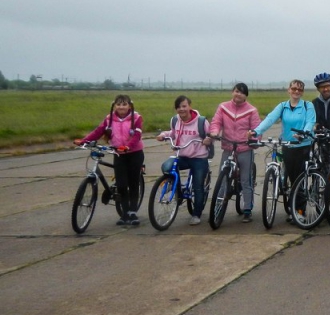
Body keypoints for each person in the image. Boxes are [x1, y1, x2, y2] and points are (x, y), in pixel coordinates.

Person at [75, 94, 145, 226]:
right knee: (121, 185)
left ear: (129, 106)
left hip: (135, 153)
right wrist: (84, 141)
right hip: (118, 154)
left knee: (133, 183)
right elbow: (98, 131)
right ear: (114, 106)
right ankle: (124, 213)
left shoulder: (136, 118)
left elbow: (137, 135)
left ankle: (132, 212)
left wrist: (128, 146)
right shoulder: (109, 119)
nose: (121, 107)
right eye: (118, 104)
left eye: (124, 104)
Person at [251, 80, 315, 223]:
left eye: (299, 89)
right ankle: (291, 205)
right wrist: (256, 132)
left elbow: (310, 122)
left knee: (298, 180)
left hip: (302, 146)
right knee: (290, 177)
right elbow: (270, 119)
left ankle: (300, 211)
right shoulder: (283, 106)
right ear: (289, 90)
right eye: (294, 88)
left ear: (302, 92)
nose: (296, 91)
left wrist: (304, 133)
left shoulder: (307, 106)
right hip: (287, 145)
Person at [156, 95, 214, 225]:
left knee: (198, 187)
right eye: (178, 107)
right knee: (166, 166)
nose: (181, 109)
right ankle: (174, 185)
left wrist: (208, 140)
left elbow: (211, 135)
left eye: (184, 106)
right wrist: (163, 135)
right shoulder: (175, 120)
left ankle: (196, 214)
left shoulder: (201, 122)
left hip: (199, 157)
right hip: (182, 156)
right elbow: (172, 133)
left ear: (190, 106)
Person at [209, 83, 261, 222]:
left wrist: (253, 138)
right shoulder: (223, 107)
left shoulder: (251, 111)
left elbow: (257, 129)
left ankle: (247, 209)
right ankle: (218, 206)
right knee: (222, 178)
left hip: (244, 148)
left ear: (246, 96)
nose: (239, 94)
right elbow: (216, 122)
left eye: (242, 92)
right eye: (237, 91)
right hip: (228, 147)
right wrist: (214, 132)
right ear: (232, 92)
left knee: (245, 179)